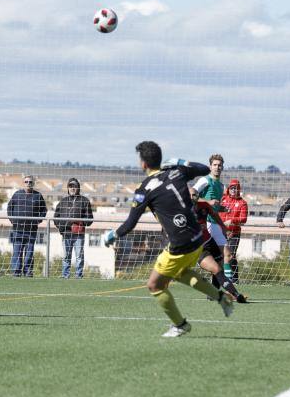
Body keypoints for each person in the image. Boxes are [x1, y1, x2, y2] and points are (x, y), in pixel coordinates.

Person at [102, 141, 235, 338]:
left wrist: (112, 235)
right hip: (198, 238)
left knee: (154, 285)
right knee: (180, 273)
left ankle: (180, 324)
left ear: (143, 164)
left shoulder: (144, 188)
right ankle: (221, 298)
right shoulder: (177, 172)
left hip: (179, 244)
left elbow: (130, 224)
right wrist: (181, 161)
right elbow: (204, 168)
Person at [190, 187, 248, 304]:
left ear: (198, 196)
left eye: (194, 195)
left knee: (220, 267)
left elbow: (215, 215)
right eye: (190, 195)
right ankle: (236, 294)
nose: (192, 197)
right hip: (197, 247)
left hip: (209, 242)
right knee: (216, 269)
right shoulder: (182, 210)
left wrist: (223, 227)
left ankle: (213, 293)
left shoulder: (204, 206)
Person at [192, 154, 233, 280]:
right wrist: (208, 202)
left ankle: (220, 288)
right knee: (220, 257)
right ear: (210, 166)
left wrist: (220, 209)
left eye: (219, 165)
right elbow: (191, 194)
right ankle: (227, 288)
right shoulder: (204, 180)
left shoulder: (221, 186)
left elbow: (213, 207)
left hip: (214, 222)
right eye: (214, 165)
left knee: (226, 256)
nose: (217, 167)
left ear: (222, 167)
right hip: (205, 223)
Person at [53, 178, 93, 279]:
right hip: (66, 233)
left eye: (74, 186)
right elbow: (55, 217)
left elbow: (90, 219)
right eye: (70, 186)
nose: (72, 188)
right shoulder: (63, 201)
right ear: (67, 188)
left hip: (78, 234)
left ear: (78, 188)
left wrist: (80, 222)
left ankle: (78, 275)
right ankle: (65, 275)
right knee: (66, 256)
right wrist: (61, 227)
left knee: (79, 256)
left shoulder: (84, 201)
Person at [7, 175, 47, 277]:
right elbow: (9, 207)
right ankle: (16, 272)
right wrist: (12, 220)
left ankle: (28, 271)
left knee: (29, 253)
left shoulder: (38, 196)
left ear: (33, 183)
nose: (28, 183)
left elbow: (44, 210)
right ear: (23, 183)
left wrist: (38, 220)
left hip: (31, 230)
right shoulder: (17, 194)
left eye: (30, 182)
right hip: (17, 229)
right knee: (17, 252)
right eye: (26, 182)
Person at [221, 178, 248, 283]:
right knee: (222, 256)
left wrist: (232, 220)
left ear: (239, 189)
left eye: (235, 188)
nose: (233, 190)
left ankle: (234, 279)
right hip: (221, 232)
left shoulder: (243, 203)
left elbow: (243, 219)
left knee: (231, 256)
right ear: (228, 189)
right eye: (231, 188)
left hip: (234, 233)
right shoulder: (223, 199)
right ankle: (224, 278)